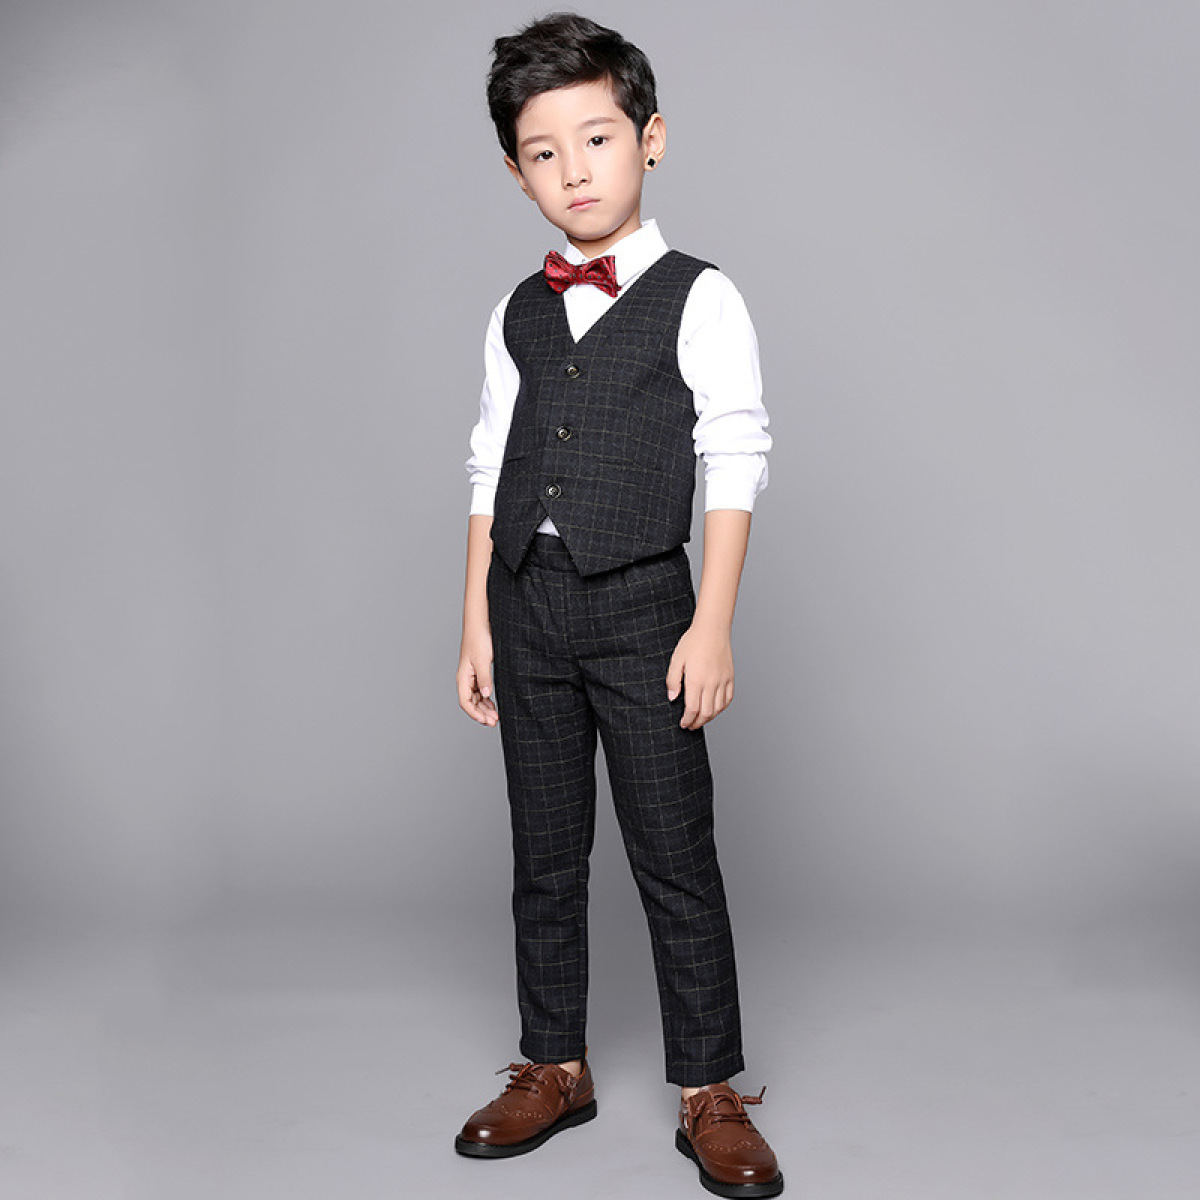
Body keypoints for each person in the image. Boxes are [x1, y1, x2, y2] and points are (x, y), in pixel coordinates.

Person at [453, 12, 782, 1196]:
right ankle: (555, 1063)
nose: (575, 170)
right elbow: (490, 460)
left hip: (645, 606)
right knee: (545, 851)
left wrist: (712, 623)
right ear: (517, 172)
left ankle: (708, 1087)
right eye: (544, 152)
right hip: (527, 605)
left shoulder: (701, 296)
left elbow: (734, 457)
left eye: (597, 138)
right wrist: (475, 618)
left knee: (673, 853)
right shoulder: (517, 310)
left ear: (651, 138)